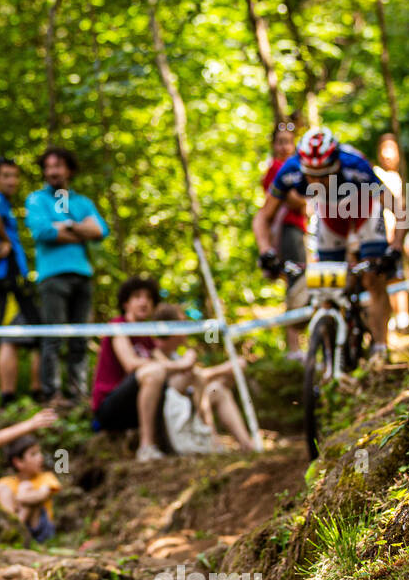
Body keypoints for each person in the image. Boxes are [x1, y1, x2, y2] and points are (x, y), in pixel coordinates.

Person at [254, 127, 409, 362]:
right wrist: (266, 252)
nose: (316, 180)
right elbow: (263, 216)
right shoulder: (291, 170)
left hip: (363, 212)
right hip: (329, 216)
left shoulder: (355, 165)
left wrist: (395, 247)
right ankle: (330, 359)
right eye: (311, 175)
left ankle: (380, 348)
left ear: (336, 165)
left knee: (373, 277)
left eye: (324, 174)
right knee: (326, 287)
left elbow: (398, 208)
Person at [25, 147, 107, 404]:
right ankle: (53, 393)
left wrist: (67, 225)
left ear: (69, 170)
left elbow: (101, 230)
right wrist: (81, 229)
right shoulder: (37, 200)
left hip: (82, 274)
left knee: (79, 337)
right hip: (52, 276)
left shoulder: (82, 202)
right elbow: (42, 232)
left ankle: (78, 392)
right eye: (48, 167)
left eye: (58, 166)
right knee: (54, 335)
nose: (52, 172)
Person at [90, 276, 186, 462]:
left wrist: (186, 366)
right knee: (154, 372)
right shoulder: (117, 326)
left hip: (136, 406)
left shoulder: (148, 337)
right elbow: (130, 364)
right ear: (126, 303)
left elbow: (166, 364)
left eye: (149, 298)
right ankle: (146, 447)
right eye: (138, 297)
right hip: (110, 408)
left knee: (190, 375)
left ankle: (212, 441)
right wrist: (178, 365)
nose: (144, 302)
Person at [0, 156, 41, 406]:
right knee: (12, 336)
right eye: (5, 175)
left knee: (33, 332)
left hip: (11, 278)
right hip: (8, 279)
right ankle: (11, 397)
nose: (12, 181)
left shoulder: (3, 202)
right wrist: (5, 239)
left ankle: (27, 393)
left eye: (14, 175)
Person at [152, 304, 256, 452]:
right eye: (182, 322)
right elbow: (195, 377)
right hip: (168, 417)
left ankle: (246, 444)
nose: (186, 328)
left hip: (188, 405)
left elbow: (198, 375)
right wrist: (226, 368)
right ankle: (211, 438)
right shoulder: (156, 353)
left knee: (218, 390)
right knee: (201, 382)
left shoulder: (176, 355)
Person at [258, 123, 307, 356]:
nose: (285, 146)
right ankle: (294, 347)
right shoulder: (277, 169)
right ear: (274, 145)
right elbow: (293, 200)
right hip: (287, 231)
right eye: (280, 141)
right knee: (295, 282)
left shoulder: (295, 168)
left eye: (289, 141)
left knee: (299, 283)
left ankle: (298, 344)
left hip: (298, 230)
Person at [0, 433, 61, 543]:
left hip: (40, 531)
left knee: (27, 489)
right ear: (18, 462)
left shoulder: (46, 477)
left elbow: (42, 495)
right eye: (34, 454)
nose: (40, 457)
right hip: (18, 521)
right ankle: (12, 532)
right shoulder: (6, 482)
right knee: (3, 490)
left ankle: (13, 532)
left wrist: (20, 496)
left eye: (39, 453)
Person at [375, 133, 409, 332]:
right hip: (382, 236)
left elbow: (400, 209)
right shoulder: (376, 174)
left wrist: (398, 238)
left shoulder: (396, 177)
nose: (388, 154)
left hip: (395, 235)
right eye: (384, 149)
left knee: (398, 275)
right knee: (383, 279)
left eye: (392, 149)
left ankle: (402, 319)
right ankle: (388, 322)